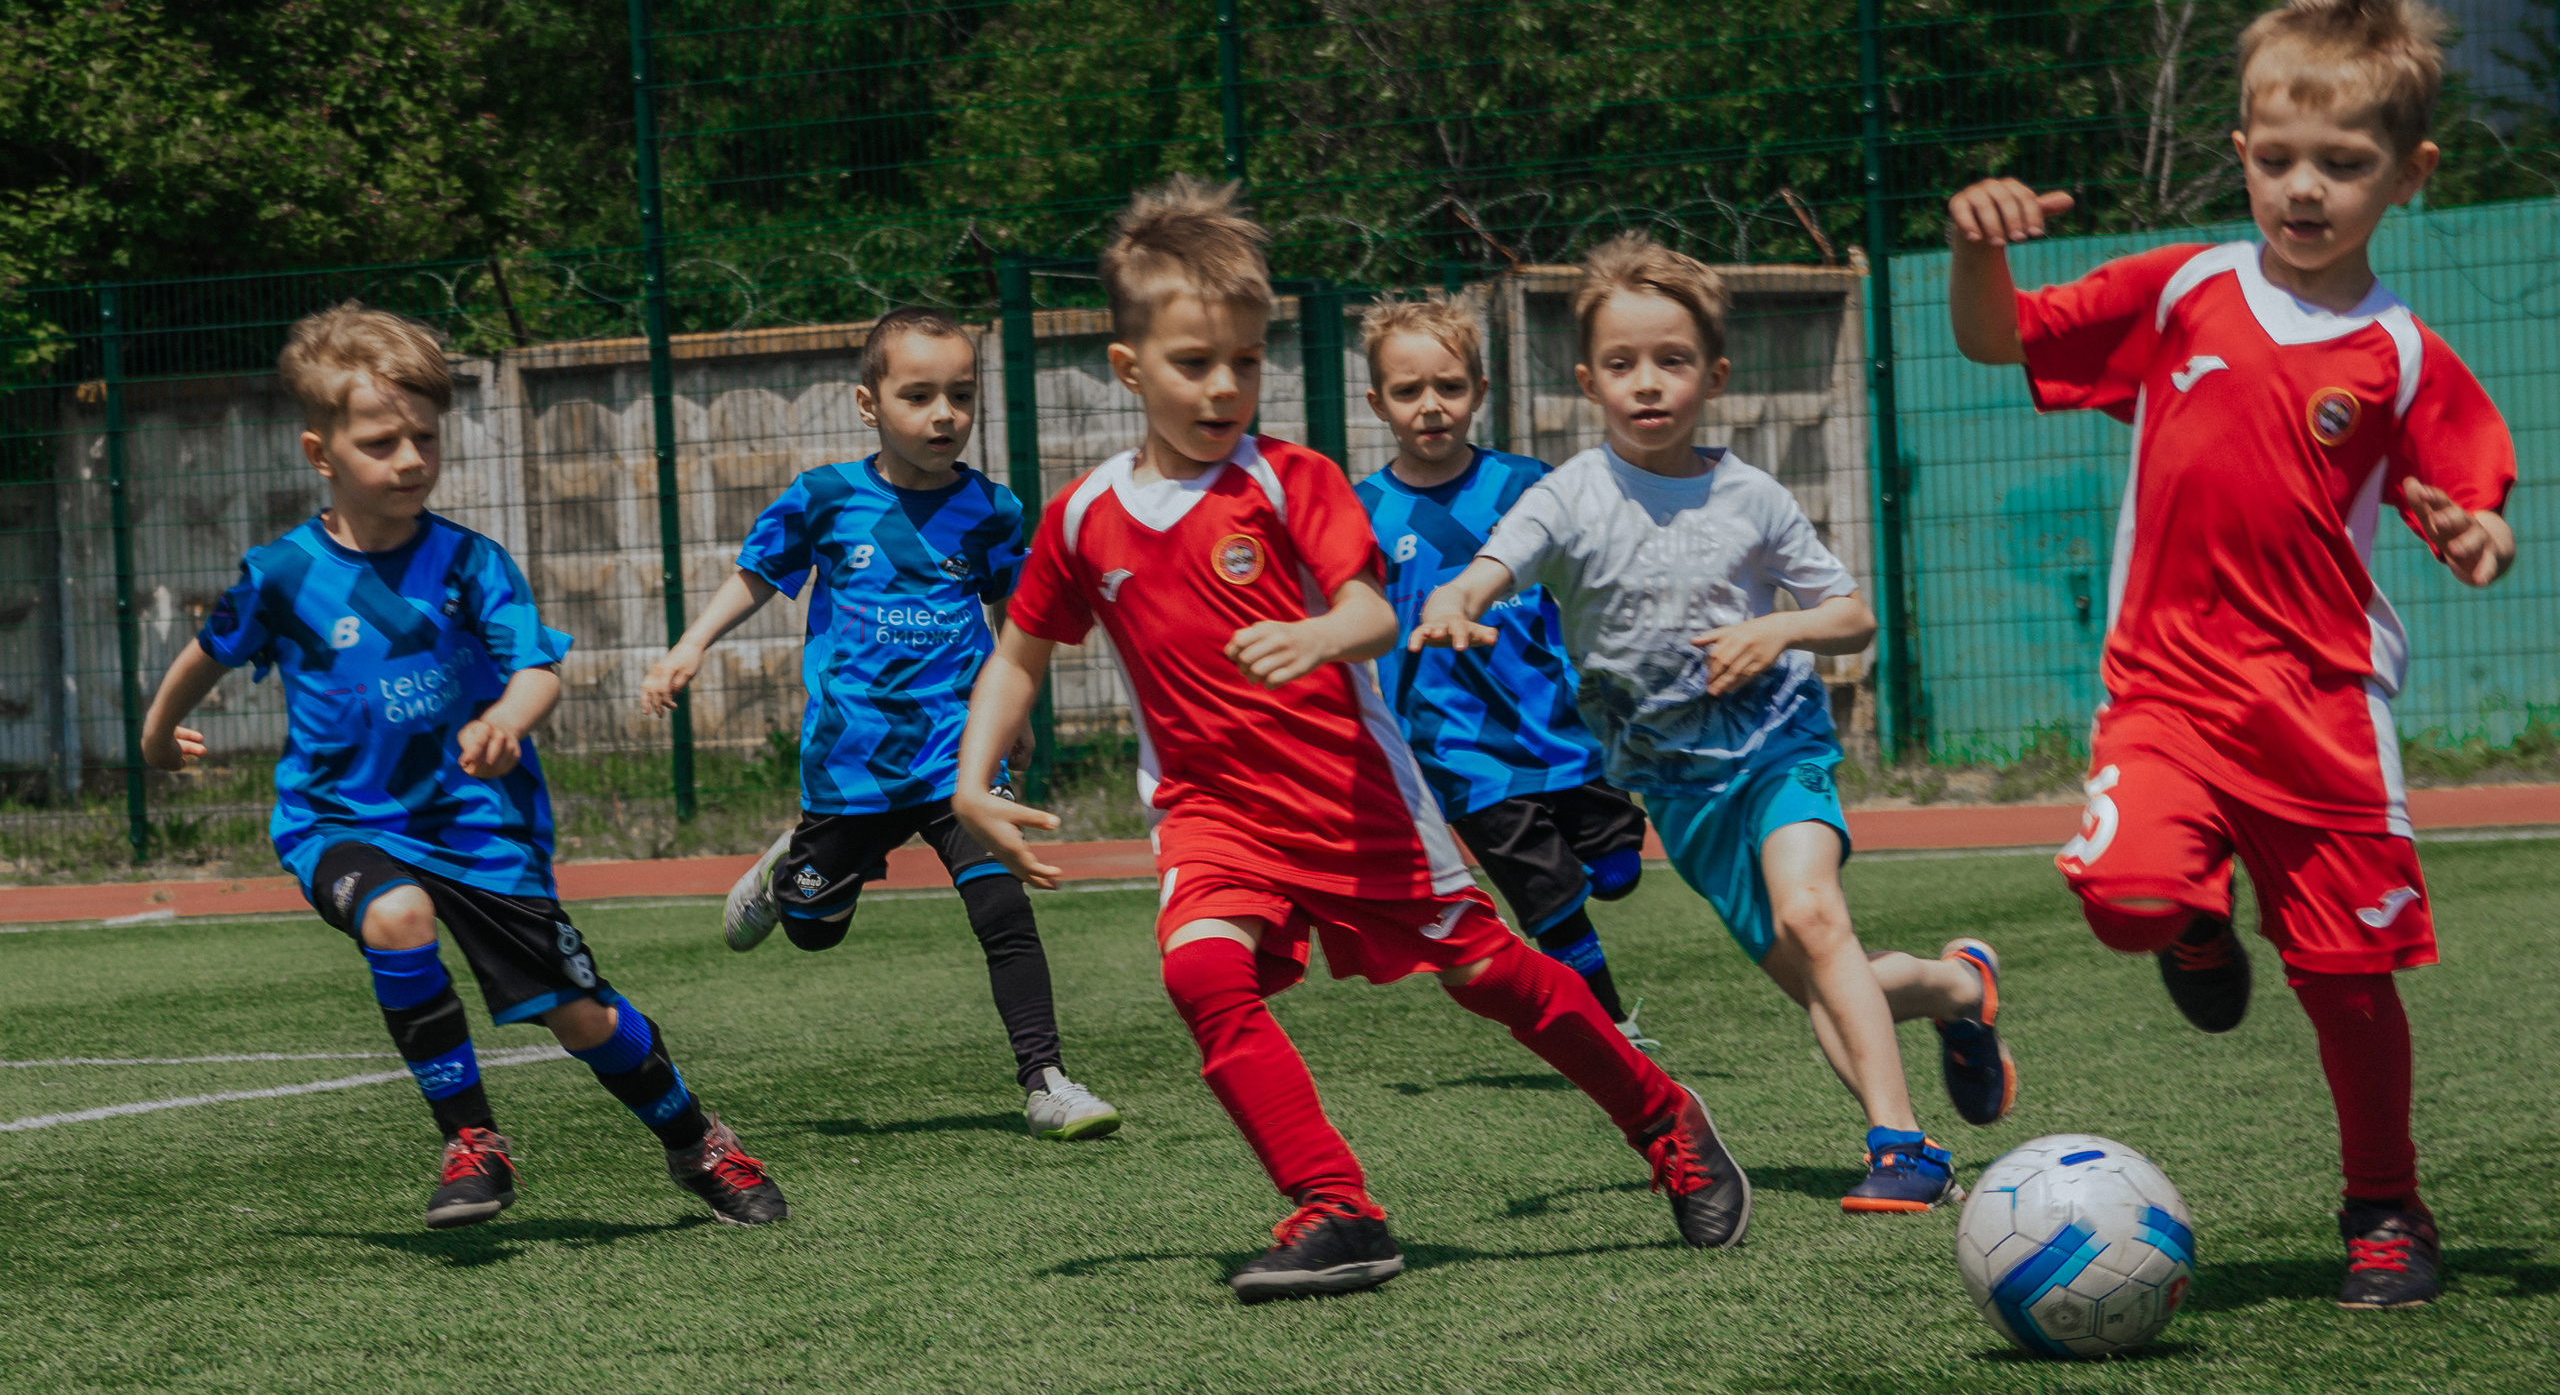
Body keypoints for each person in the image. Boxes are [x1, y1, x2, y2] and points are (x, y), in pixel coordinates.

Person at [950, 177, 1750, 1302]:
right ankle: (1337, 1207)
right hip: (1210, 811)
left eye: (1243, 358)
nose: (1224, 384)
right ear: (1129, 368)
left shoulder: (1293, 480)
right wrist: (972, 778)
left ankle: (1663, 1115)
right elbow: (1019, 652)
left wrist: (1322, 631)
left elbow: (1373, 610)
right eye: (1193, 362)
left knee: (1490, 976)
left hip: (1352, 797)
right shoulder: (1083, 516)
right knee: (1201, 971)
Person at [1943, 0, 2516, 1310]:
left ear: (2409, 174)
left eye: (2343, 162)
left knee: (2351, 982)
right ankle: (2195, 931)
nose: (2304, 188)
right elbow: (1997, 340)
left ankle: (2385, 1203)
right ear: (2241, 156)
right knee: (2128, 894)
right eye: (2276, 159)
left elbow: (2470, 503)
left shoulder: (2402, 355)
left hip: (2323, 715)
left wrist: (2479, 537)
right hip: (2167, 696)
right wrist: (1980, 248)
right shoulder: (2185, 289)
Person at [139, 303, 788, 1229]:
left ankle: (696, 1143)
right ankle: (472, 1141)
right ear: (321, 454)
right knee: (395, 917)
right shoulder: (282, 572)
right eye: (380, 442)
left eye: (424, 438)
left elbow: (536, 667)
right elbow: (207, 649)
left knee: (581, 1019)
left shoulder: (471, 563)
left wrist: (506, 718)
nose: (409, 459)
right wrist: (158, 737)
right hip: (337, 820)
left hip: (479, 828)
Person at [1414, 237, 2017, 1214]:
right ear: (1585, 379)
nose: (1646, 383)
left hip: (1779, 750)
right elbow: (1494, 562)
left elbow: (1852, 614)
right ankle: (1959, 990)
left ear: (1715, 372)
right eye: (1621, 364)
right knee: (1829, 980)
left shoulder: (1749, 495)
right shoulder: (1566, 496)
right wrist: (1456, 598)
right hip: (1681, 796)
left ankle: (1904, 1146)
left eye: (1671, 360)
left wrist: (1776, 624)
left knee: (1813, 913)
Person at [642, 306, 1120, 1142]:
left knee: (1002, 908)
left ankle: (1047, 1080)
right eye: (919, 395)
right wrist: (688, 646)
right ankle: (790, 871)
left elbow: (1018, 613)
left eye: (961, 396)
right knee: (815, 932)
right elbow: (758, 572)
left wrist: (1017, 715)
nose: (944, 415)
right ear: (869, 404)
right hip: (853, 764)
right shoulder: (825, 499)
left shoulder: (994, 510)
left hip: (957, 754)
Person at [1353, 298, 1659, 1052]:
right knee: (1550, 900)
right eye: (1408, 391)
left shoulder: (1528, 485)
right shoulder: (1363, 512)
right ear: (1377, 404)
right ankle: (1610, 1026)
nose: (1432, 407)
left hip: (1561, 725)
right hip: (1458, 749)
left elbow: (1596, 570)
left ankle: (1595, 869)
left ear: (1480, 391)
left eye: (1450, 387)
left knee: (1618, 867)